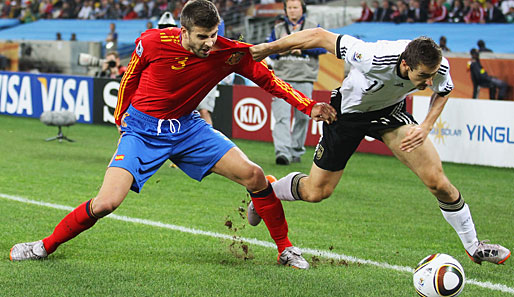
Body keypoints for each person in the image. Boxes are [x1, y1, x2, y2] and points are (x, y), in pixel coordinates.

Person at [9, 0, 337, 270]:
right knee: (107, 202)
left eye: (213, 34)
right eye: (202, 36)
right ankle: (44, 246)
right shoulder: (151, 42)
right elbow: (130, 77)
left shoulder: (229, 52)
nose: (209, 42)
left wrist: (309, 106)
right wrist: (122, 117)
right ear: (183, 31)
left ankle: (285, 249)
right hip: (142, 131)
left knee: (253, 175)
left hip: (188, 128)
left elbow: (269, 80)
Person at [248, 29, 511, 265]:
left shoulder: (437, 66)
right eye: (423, 77)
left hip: (390, 115)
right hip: (347, 116)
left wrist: (426, 126)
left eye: (432, 76)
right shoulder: (373, 56)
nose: (428, 82)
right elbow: (318, 36)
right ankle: (268, 191)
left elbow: (443, 90)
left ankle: (475, 246)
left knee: (437, 182)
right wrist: (266, 49)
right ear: (406, 64)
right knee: (316, 192)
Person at [267, 0, 327, 165]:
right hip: (281, 78)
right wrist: (283, 47)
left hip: (304, 77)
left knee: (302, 117)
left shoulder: (313, 27)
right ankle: (283, 153)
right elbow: (270, 52)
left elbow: (323, 48)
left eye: (295, 7)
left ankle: (295, 151)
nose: (292, 11)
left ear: (302, 9)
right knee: (282, 117)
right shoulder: (278, 29)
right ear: (285, 11)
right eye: (289, 8)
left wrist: (303, 47)